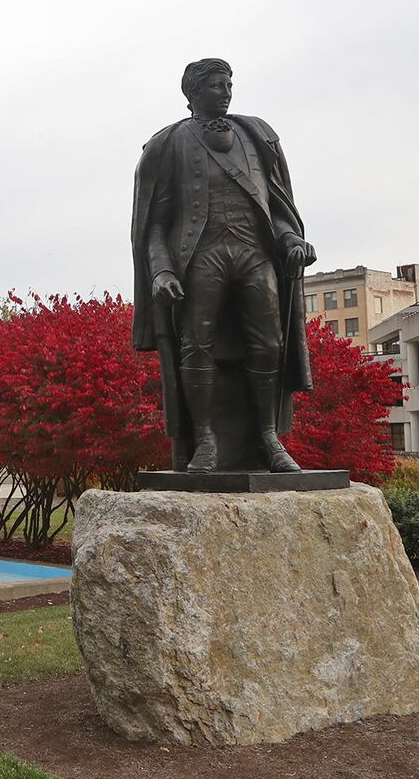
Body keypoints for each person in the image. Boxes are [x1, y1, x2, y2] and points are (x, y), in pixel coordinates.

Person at [130, 58, 316, 473]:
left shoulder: (258, 136)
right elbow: (154, 224)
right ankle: (206, 441)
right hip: (200, 256)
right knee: (196, 344)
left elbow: (276, 204)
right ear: (194, 93)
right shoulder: (168, 143)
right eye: (217, 85)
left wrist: (291, 240)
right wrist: (161, 271)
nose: (226, 91)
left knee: (269, 343)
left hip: (255, 253)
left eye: (229, 84)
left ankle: (268, 438)